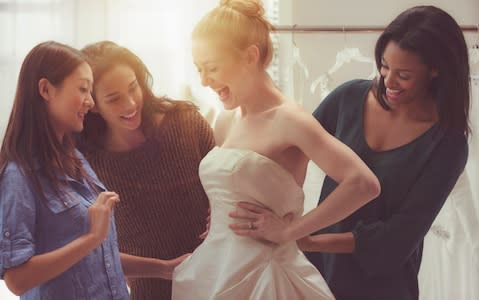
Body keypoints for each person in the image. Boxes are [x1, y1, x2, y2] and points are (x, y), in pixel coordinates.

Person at [233, 5, 470, 300]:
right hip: (316, 275)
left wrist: (304, 237)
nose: (388, 81)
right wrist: (233, 199)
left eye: (404, 75)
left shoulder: (447, 145)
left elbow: (397, 239)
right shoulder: (348, 98)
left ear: (436, 70)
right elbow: (286, 152)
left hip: (382, 288)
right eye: (384, 66)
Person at [172, 1, 381, 299]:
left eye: (212, 68)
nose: (204, 81)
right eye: (199, 69)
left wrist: (289, 231)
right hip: (215, 268)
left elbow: (364, 184)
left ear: (250, 56)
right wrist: (219, 213)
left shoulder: (290, 120)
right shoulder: (226, 118)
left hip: (267, 277)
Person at [0, 41, 188, 299]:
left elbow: (100, 256)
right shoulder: (19, 175)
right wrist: (90, 238)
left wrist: (165, 269)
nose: (90, 102)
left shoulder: (76, 159)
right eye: (82, 89)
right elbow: (17, 279)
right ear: (46, 89)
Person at [77, 41, 214, 299]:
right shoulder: (87, 163)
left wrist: (219, 210)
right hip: (149, 289)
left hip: (216, 274)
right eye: (114, 99)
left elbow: (225, 186)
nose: (130, 104)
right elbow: (91, 248)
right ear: (93, 104)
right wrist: (162, 270)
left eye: (133, 88)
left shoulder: (185, 122)